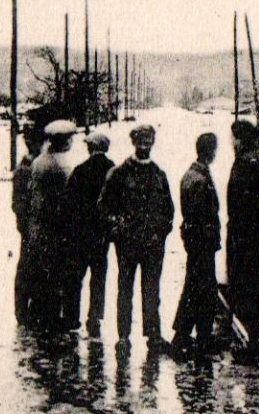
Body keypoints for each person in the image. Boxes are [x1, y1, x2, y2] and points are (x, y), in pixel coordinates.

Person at [99, 123, 175, 350]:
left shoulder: (159, 174)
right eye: (141, 140)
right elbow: (103, 206)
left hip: (152, 245)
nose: (145, 145)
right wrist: (116, 228)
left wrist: (161, 232)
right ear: (133, 142)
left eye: (149, 140)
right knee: (125, 289)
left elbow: (168, 209)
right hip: (127, 245)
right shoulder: (120, 173)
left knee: (152, 290)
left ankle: (153, 335)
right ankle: (123, 337)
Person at [225, 120, 259, 351]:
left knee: (248, 287)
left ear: (240, 139)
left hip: (246, 236)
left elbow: (237, 202)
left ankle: (256, 341)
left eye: (233, 139)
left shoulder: (245, 163)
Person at [171, 131, 223, 355]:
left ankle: (185, 334)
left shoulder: (192, 174)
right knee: (203, 289)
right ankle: (198, 336)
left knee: (195, 287)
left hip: (196, 242)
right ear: (210, 152)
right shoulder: (200, 179)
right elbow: (204, 214)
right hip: (202, 243)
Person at [25, 120, 79, 330]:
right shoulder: (62, 165)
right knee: (55, 273)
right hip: (55, 227)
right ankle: (51, 319)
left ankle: (37, 314)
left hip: (38, 225)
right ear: (63, 141)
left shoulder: (39, 161)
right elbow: (67, 199)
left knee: (41, 271)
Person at [65, 130, 115, 337]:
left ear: (91, 148)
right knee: (98, 277)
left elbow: (68, 201)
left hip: (80, 233)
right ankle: (94, 318)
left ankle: (71, 316)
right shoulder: (113, 170)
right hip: (101, 234)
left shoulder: (80, 170)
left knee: (76, 276)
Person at [11, 125, 45, 324]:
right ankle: (23, 311)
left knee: (34, 266)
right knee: (28, 267)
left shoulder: (31, 165)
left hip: (33, 225)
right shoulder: (26, 168)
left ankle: (30, 309)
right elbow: (18, 202)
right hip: (31, 225)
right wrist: (24, 223)